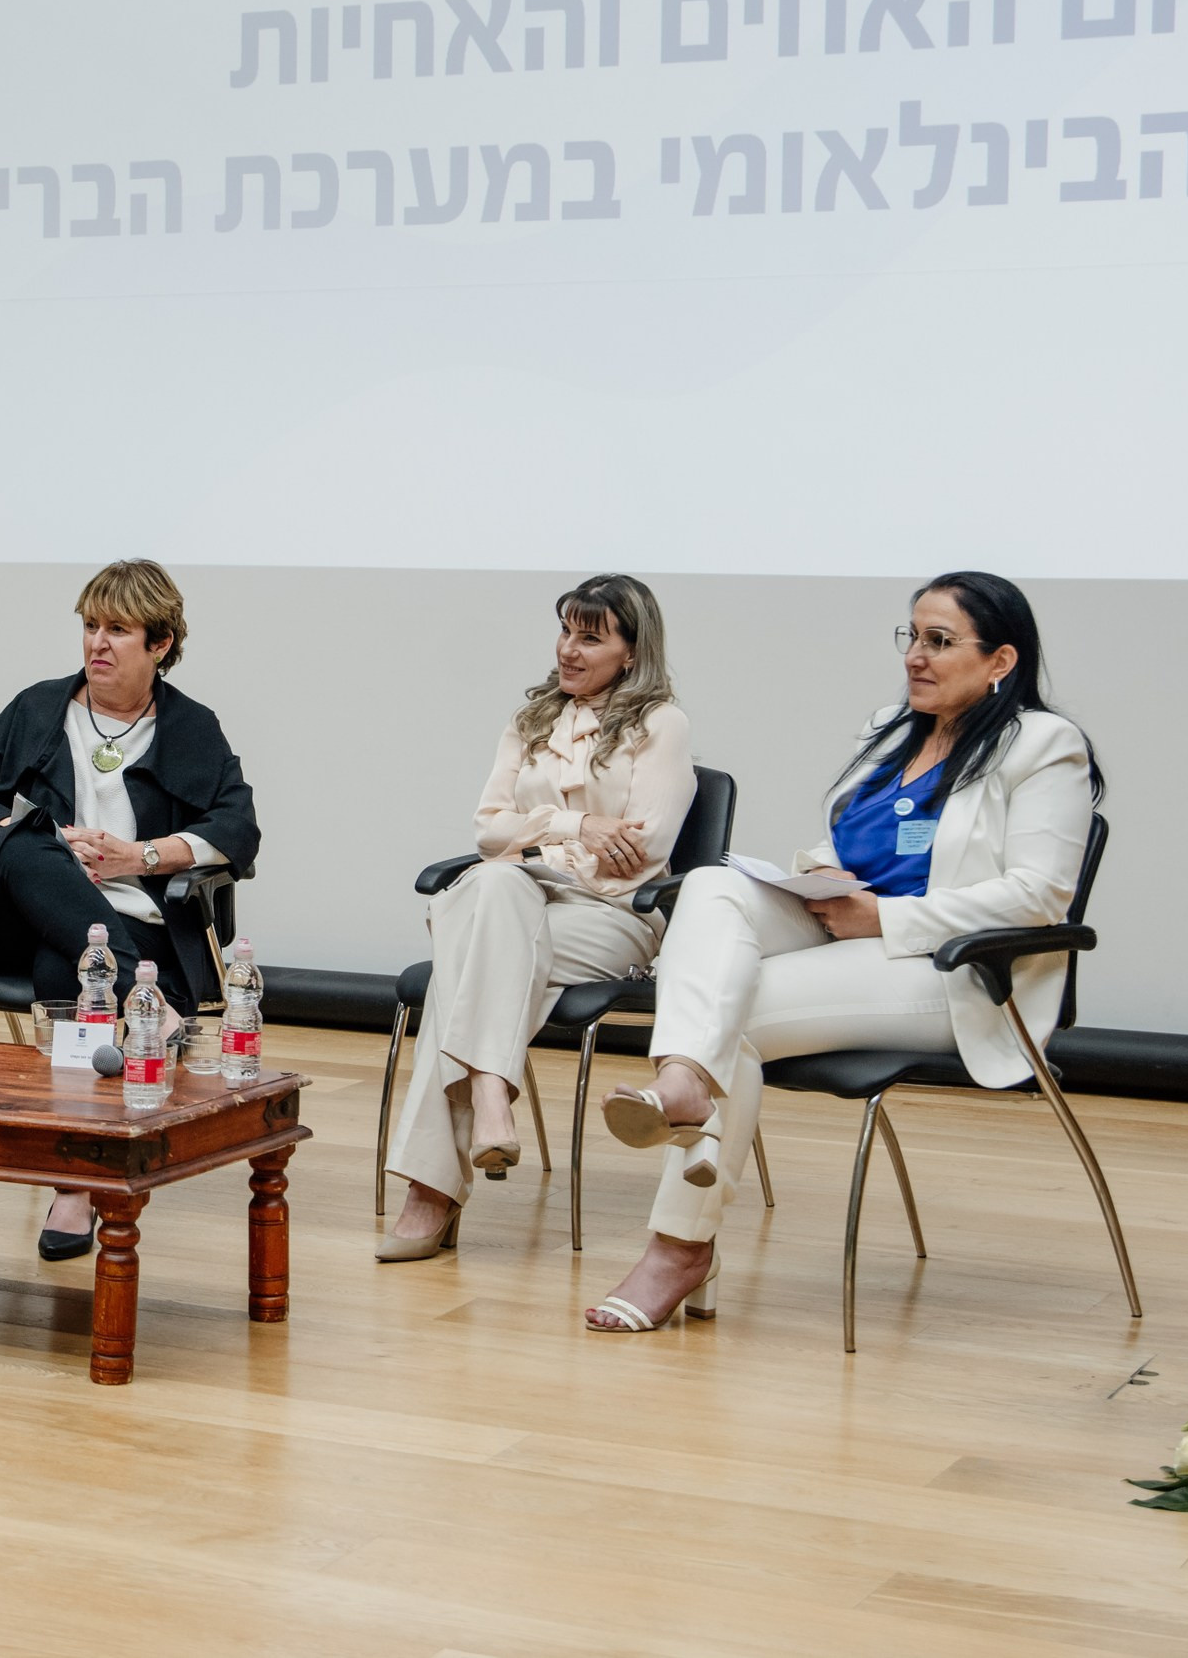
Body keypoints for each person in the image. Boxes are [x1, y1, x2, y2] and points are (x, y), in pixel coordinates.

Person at [585, 570, 1099, 1331]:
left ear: (1000, 662)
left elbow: (1038, 896)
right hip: (853, 929)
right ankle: (684, 1083)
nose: (915, 656)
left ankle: (679, 1245)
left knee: (735, 1016)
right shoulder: (891, 728)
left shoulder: (1044, 745)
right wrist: (815, 878)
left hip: (956, 970)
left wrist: (885, 917)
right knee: (714, 885)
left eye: (939, 641)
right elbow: (855, 838)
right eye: (912, 636)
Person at [0, 559, 259, 1260]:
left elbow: (238, 827)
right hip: (21, 908)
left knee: (72, 958)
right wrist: (49, 842)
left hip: (125, 915)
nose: (97, 643)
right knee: (29, 840)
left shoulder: (191, 726)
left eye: (118, 630)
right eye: (90, 626)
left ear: (160, 643)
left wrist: (139, 856)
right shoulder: (39, 707)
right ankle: (150, 1003)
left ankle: (74, 1183)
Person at [378, 575, 693, 1261]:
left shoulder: (663, 725)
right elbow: (489, 830)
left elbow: (642, 852)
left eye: (591, 636)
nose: (568, 650)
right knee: (494, 886)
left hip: (612, 916)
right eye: (565, 632)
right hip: (521, 896)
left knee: (465, 963)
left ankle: (431, 1193)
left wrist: (538, 842)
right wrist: (576, 825)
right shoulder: (529, 722)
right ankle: (492, 1094)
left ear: (631, 653)